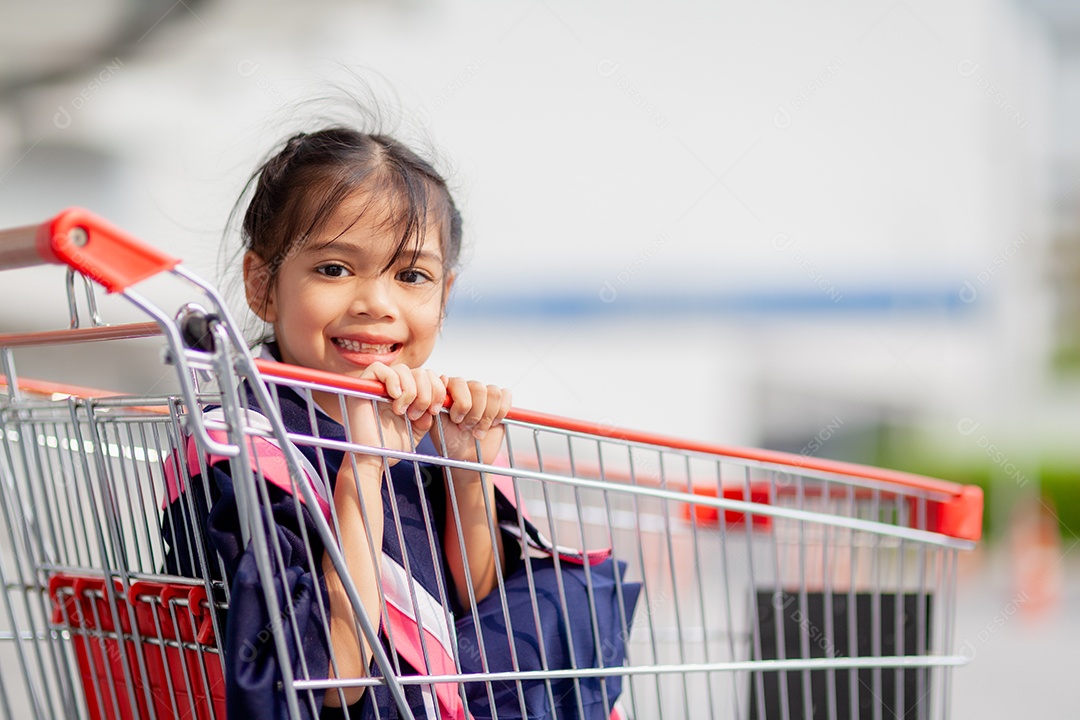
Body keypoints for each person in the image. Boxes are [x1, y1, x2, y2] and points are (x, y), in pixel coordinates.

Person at [162, 126, 639, 720]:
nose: (376, 303)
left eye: (412, 277)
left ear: (445, 295)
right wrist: (362, 473)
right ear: (262, 285)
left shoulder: (422, 423)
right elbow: (330, 678)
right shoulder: (243, 450)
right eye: (334, 268)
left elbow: (481, 618)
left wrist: (467, 473)